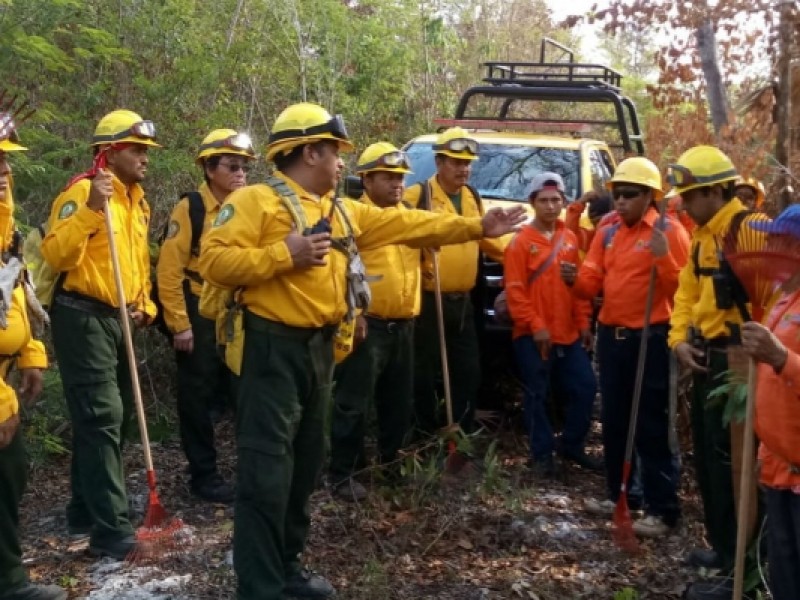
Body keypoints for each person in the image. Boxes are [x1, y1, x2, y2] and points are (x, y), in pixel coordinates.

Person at [197, 102, 525, 600]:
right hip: (270, 351)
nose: (341, 164)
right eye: (335, 154)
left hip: (319, 350)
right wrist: (286, 253)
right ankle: (259, 586)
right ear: (310, 152)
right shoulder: (254, 202)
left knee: (305, 463)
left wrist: (480, 227)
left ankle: (287, 569)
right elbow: (215, 262)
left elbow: (413, 226)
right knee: (267, 469)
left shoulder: (341, 210)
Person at [41, 109, 160, 560]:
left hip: (119, 318)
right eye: (137, 150)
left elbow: (134, 259)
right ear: (109, 152)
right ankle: (111, 529)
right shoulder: (79, 192)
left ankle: (83, 508)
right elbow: (56, 254)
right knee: (102, 416)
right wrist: (91, 208)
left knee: (112, 417)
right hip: (82, 315)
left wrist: (144, 301)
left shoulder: (136, 198)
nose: (145, 157)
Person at [566, 157, 689, 537]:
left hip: (650, 339)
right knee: (616, 420)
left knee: (651, 423)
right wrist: (576, 279)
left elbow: (684, 291)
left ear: (650, 196)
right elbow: (592, 279)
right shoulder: (608, 231)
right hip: (612, 337)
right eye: (616, 194)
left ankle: (662, 509)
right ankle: (620, 494)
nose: (620, 201)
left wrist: (662, 257)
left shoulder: (670, 233)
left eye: (630, 195)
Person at [667, 146, 766, 600]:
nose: (683, 204)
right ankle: (725, 548)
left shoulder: (749, 230)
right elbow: (685, 295)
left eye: (689, 195)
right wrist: (679, 341)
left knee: (738, 464)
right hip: (707, 356)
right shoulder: (702, 235)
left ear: (714, 191)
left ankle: (746, 564)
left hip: (742, 361)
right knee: (709, 458)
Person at [156, 129, 255, 504]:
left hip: (238, 310)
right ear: (210, 167)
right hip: (199, 308)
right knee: (196, 396)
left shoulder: (248, 205)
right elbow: (169, 270)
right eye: (232, 165)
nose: (240, 173)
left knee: (242, 390)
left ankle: (251, 469)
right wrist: (179, 323)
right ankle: (204, 475)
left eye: (244, 166)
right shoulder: (191, 208)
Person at [0, 108, 66, 600]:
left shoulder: (6, 229)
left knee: (10, 476)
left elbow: (16, 287)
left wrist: (31, 354)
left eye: (6, 162)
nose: (4, 172)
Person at [328, 142, 417, 501]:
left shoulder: (409, 214)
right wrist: (356, 315)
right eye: (388, 178)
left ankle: (392, 466)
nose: (397, 184)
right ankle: (343, 473)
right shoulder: (351, 217)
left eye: (400, 178)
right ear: (366, 180)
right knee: (353, 402)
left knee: (398, 402)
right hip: (368, 326)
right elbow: (341, 272)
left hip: (405, 325)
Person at [404, 127, 505, 436]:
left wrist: (520, 257)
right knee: (423, 370)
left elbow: (486, 238)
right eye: (456, 162)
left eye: (467, 163)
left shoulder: (472, 197)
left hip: (463, 302)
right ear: (439, 162)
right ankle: (423, 432)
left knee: (467, 369)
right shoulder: (417, 195)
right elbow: (400, 236)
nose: (464, 169)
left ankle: (459, 430)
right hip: (428, 301)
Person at [504, 172, 599, 478]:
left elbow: (579, 287)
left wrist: (584, 323)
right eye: (543, 201)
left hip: (568, 334)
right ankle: (541, 455)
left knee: (586, 386)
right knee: (537, 393)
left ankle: (571, 445)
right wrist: (534, 325)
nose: (550, 206)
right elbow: (515, 291)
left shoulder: (570, 240)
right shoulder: (519, 243)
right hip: (532, 335)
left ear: (563, 203)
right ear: (532, 203)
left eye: (555, 200)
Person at [741, 205, 800, 600]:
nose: (768, 247)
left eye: (778, 239)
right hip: (780, 466)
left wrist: (782, 358)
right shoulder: (781, 300)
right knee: (784, 580)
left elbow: (783, 366)